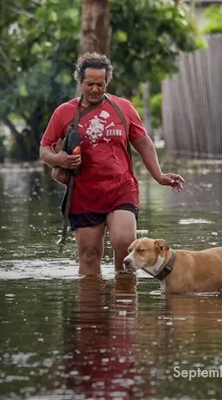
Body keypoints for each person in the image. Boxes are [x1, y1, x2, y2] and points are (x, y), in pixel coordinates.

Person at [40, 52, 184, 276]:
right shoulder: (64, 112)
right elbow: (45, 148)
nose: (95, 89)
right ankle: (92, 309)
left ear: (107, 82)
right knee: (89, 254)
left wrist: (159, 175)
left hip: (121, 188)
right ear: (80, 82)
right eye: (90, 84)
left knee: (125, 244)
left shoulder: (124, 108)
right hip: (83, 193)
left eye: (101, 84)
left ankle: (124, 307)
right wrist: (60, 159)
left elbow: (143, 143)